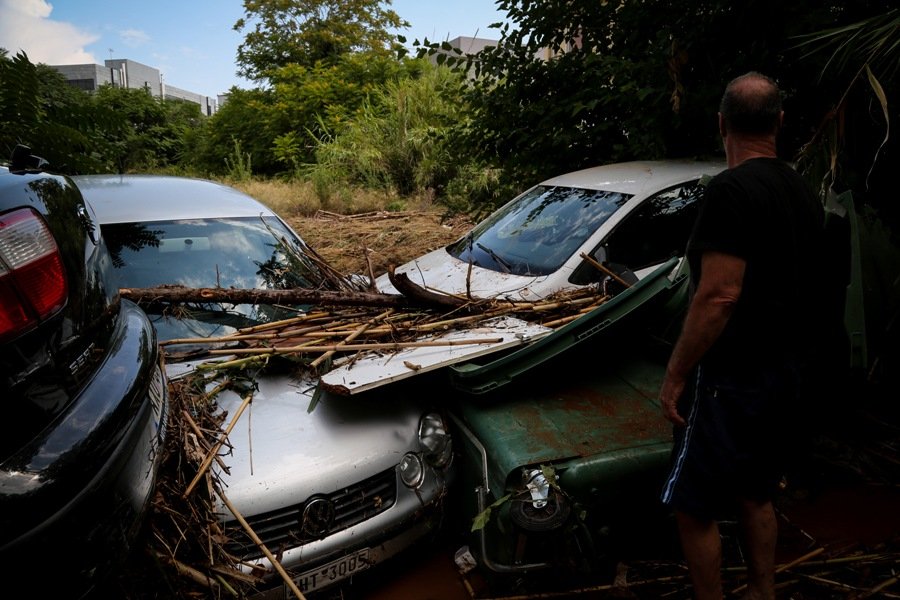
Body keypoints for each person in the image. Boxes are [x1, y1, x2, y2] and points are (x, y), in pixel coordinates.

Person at [658, 72, 825, 600]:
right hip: (786, 371)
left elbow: (719, 296)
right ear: (780, 122)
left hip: (730, 379)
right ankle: (761, 590)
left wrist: (676, 374)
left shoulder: (731, 190)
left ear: (721, 123)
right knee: (756, 492)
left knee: (692, 505)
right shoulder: (800, 188)